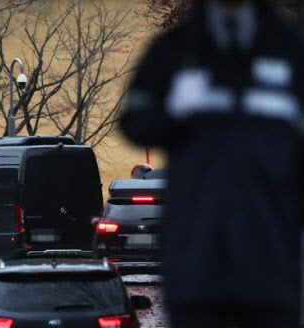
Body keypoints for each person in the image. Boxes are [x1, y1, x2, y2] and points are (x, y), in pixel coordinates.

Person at [120, 0, 303, 326]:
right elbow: (134, 121)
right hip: (197, 271)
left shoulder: (289, 50)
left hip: (273, 269)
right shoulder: (174, 51)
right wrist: (174, 114)